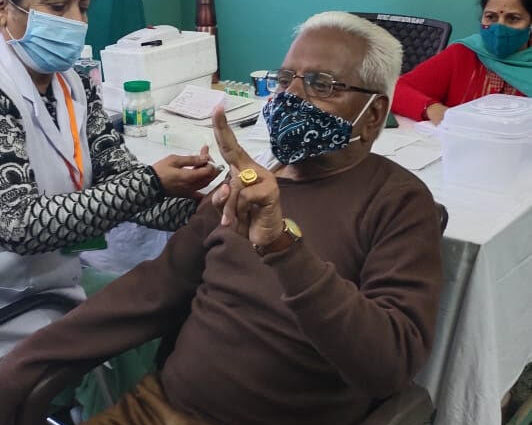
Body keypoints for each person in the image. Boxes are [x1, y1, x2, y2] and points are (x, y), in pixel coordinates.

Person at [0, 11, 443, 425]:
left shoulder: (398, 203)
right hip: (159, 409)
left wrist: (282, 249)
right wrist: (21, 366)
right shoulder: (248, 186)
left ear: (374, 117)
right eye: (285, 79)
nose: (291, 97)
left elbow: (388, 366)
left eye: (321, 84)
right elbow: (150, 293)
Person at [0, 0, 220, 356]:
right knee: (124, 346)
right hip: (10, 299)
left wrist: (207, 209)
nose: (75, 22)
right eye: (58, 7)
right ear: (3, 10)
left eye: (83, 8)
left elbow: (121, 185)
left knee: (175, 315)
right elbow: (17, 223)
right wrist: (152, 182)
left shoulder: (74, 86)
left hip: (57, 277)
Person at [392, 0, 532, 124]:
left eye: (513, 18)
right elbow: (397, 89)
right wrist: (432, 108)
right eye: (491, 17)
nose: (499, 27)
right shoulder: (463, 53)